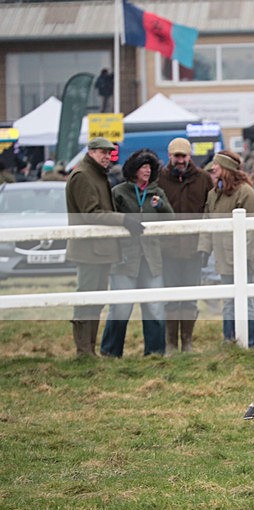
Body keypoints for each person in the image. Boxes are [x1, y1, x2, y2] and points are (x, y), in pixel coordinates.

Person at [65, 137, 145, 356]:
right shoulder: (83, 175)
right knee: (86, 301)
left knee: (96, 302)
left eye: (109, 154)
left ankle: (89, 350)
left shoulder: (96, 174)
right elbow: (90, 213)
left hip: (99, 249)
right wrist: (123, 220)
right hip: (89, 249)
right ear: (91, 152)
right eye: (103, 153)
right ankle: (84, 352)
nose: (107, 157)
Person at [100, 149, 175, 357]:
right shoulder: (119, 192)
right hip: (125, 259)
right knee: (121, 308)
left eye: (150, 168)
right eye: (143, 167)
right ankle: (110, 352)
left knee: (154, 307)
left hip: (151, 259)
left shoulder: (157, 193)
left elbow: (171, 219)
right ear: (133, 170)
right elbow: (110, 219)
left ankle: (155, 353)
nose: (147, 171)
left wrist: (161, 206)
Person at [197, 150, 254, 347]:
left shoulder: (246, 193)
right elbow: (207, 224)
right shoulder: (213, 194)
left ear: (226, 169)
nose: (212, 169)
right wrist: (204, 249)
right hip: (223, 258)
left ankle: (249, 343)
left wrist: (244, 258)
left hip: (244, 259)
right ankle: (229, 341)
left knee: (245, 302)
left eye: (216, 165)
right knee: (228, 301)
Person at [158, 137, 213, 353]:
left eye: (183, 156)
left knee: (190, 299)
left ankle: (187, 342)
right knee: (171, 298)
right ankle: (171, 343)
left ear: (189, 156)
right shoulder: (159, 179)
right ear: (169, 156)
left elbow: (209, 211)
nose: (180, 160)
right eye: (176, 156)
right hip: (168, 249)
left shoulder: (203, 179)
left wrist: (205, 245)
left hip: (193, 249)